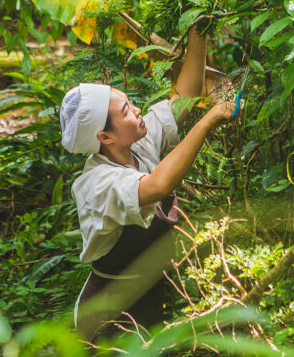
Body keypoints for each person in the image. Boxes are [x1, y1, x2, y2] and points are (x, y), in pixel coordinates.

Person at [59, 25, 236, 341]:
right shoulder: (97, 184)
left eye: (130, 102)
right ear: (105, 137)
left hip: (152, 296)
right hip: (108, 318)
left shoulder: (137, 144)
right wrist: (207, 121)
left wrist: (200, 27)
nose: (137, 110)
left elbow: (184, 96)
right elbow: (158, 186)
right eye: (126, 110)